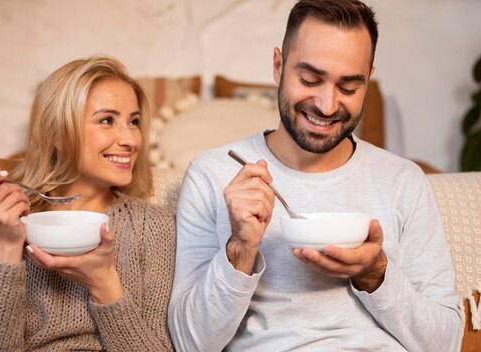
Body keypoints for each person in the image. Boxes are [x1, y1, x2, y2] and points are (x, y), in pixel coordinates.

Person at [168, 0, 462, 351]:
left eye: (349, 87)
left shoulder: (403, 181)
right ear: (278, 66)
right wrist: (241, 249)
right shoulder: (212, 175)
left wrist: (375, 274)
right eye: (310, 79)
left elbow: (445, 343)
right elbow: (189, 342)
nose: (326, 105)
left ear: (368, 80)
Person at [0, 56, 175, 351]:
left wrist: (104, 285)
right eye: (107, 120)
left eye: (134, 122)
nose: (130, 140)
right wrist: (8, 247)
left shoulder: (154, 226)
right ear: (57, 134)